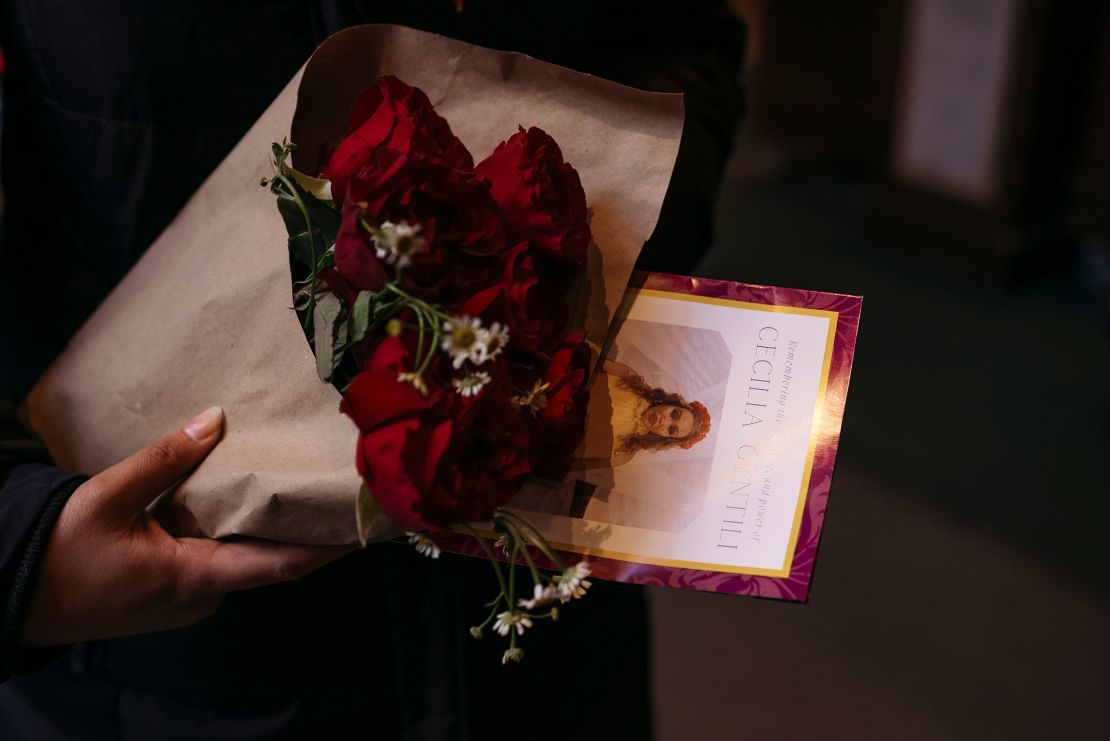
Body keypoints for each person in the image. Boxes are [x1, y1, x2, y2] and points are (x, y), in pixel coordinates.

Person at [0, 1, 745, 737]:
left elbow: (678, 42)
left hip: (538, 630)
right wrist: (21, 547)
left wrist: (578, 256)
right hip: (173, 658)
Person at [577, 357, 712, 470]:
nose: (663, 421)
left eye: (671, 429)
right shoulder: (632, 380)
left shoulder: (623, 455)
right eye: (674, 414)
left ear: (665, 438)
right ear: (670, 403)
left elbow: (571, 464)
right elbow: (590, 358)